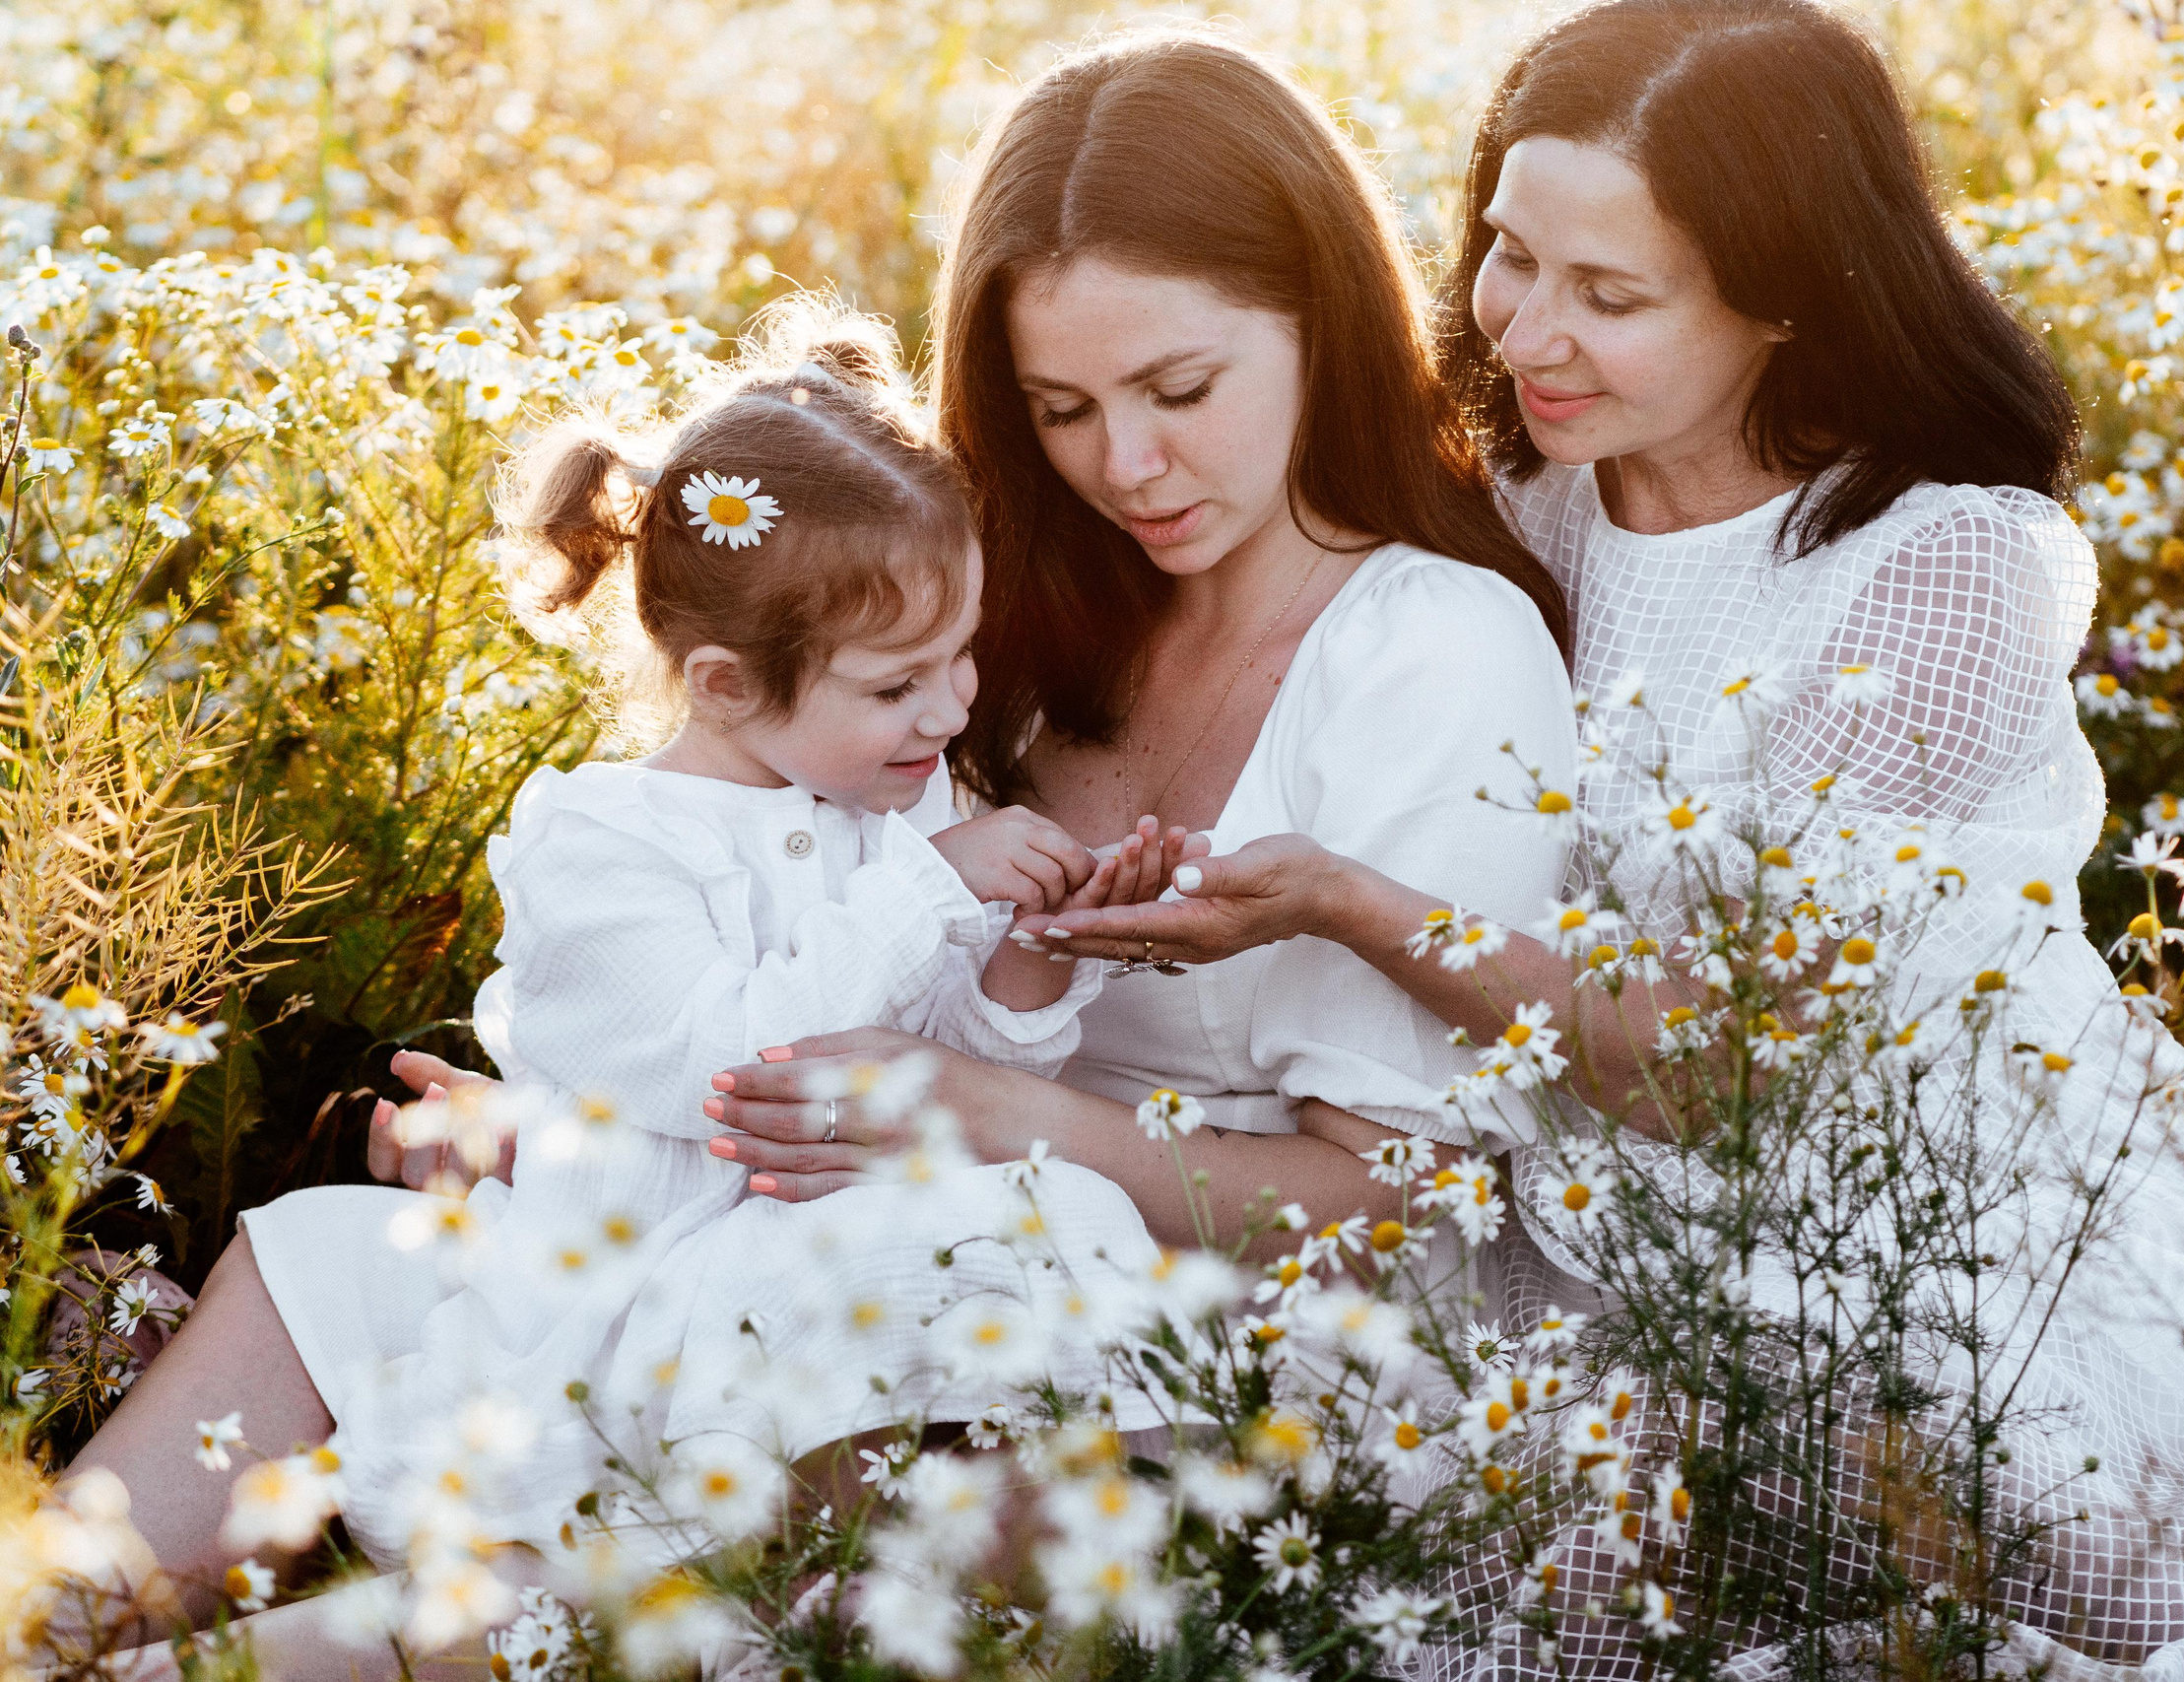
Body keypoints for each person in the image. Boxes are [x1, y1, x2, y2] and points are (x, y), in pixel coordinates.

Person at [59, 32, 1575, 1678]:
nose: (1126, 465)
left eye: (1182, 390)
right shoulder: (997, 601)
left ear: (1319, 318)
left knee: (638, 1521)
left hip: (1157, 1350)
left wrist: (1001, 1121)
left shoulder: (1430, 650)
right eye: (1061, 408)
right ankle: (46, 1626)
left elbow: (1398, 1213)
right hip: (825, 1227)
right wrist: (602, 1121)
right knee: (328, 1271)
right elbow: (782, 921)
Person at [1016, 0, 2184, 1674]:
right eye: (1510, 255)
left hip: (1911, 1210)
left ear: (1784, 300)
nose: (1523, 335)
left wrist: (1349, 907)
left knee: (2122, 1603)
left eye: (1612, 296)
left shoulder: (1941, 572)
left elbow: (1707, 1074)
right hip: (1584, 1216)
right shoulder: (1510, 507)